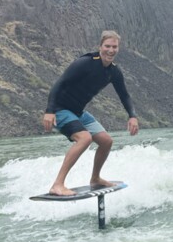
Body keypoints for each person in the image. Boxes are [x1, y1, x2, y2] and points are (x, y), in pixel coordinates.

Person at [43, 30, 139, 196]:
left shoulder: (114, 72)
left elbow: (124, 95)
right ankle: (57, 185)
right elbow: (60, 84)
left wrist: (132, 116)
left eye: (114, 47)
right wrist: (49, 111)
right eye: (107, 46)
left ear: (118, 48)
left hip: (78, 112)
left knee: (106, 141)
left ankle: (95, 178)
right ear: (100, 46)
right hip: (60, 109)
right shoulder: (85, 63)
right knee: (85, 138)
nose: (110, 50)